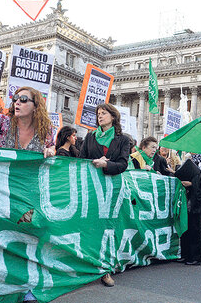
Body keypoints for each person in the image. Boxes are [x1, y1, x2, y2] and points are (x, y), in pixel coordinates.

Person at [79, 103, 130, 287]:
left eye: (104, 113)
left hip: (112, 187)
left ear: (113, 117)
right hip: (92, 186)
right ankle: (88, 265)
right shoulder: (90, 137)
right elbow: (81, 160)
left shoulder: (123, 139)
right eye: (98, 114)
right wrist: (94, 163)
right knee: (91, 225)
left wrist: (106, 165)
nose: (100, 116)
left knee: (108, 228)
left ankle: (106, 269)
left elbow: (123, 164)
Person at [175, 156, 201, 266]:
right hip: (190, 198)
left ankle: (196, 257)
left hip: (199, 201)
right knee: (187, 227)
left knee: (195, 228)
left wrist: (191, 183)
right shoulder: (194, 164)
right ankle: (186, 254)